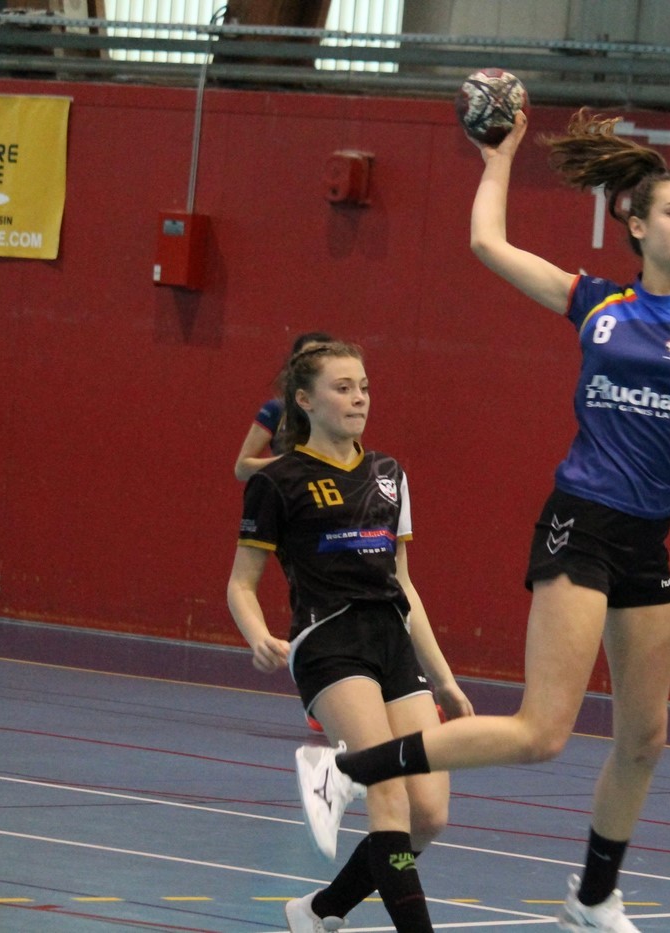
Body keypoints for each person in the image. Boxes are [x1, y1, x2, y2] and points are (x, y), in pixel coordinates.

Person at [295, 108, 670, 933]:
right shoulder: (598, 302)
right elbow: (488, 244)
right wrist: (501, 156)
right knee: (541, 731)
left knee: (645, 737)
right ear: (637, 223)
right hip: (581, 524)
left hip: (646, 540)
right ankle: (347, 769)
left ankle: (591, 896)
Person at [226, 340, 473, 933]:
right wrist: (258, 635)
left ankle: (319, 911)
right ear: (305, 400)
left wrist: (444, 680)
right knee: (388, 792)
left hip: (391, 641)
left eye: (363, 387)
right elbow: (240, 583)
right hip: (329, 641)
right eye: (343, 388)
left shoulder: (389, 474)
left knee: (429, 815)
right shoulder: (278, 481)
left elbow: (404, 584)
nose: (359, 398)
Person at [235, 331, 334, 734]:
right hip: (291, 511)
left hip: (328, 510)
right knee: (311, 593)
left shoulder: (334, 412)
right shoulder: (276, 411)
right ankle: (318, 692)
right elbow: (242, 466)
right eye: (307, 358)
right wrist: (290, 463)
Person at [234, 331, 334, 483]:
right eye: (309, 358)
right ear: (294, 365)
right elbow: (241, 469)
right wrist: (294, 461)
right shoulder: (277, 409)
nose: (317, 365)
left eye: (324, 358)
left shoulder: (341, 412)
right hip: (288, 492)